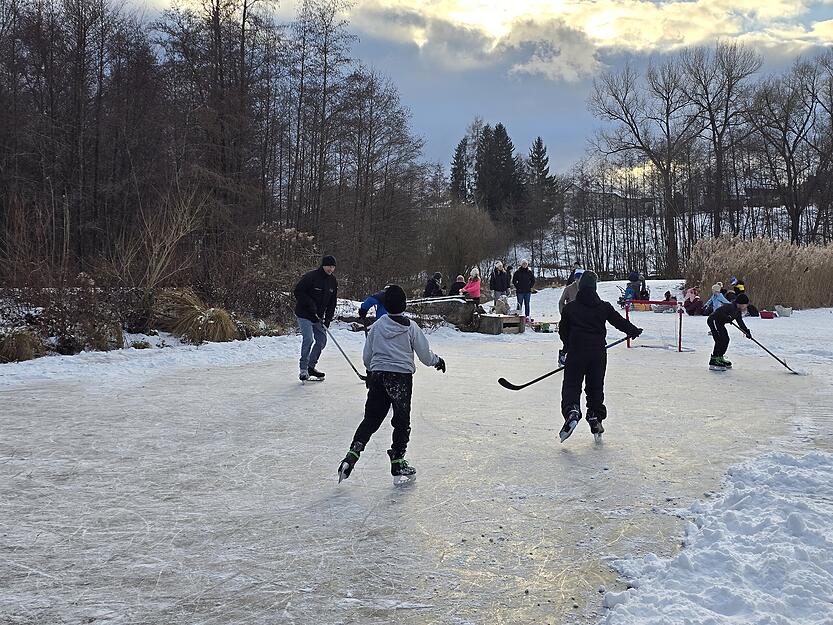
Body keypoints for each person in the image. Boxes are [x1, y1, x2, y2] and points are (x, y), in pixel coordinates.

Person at [337, 285, 446, 483]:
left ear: (385, 304)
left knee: (371, 418)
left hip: (379, 376)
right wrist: (437, 361)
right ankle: (398, 460)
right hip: (401, 378)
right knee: (401, 420)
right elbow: (424, 354)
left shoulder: (377, 326)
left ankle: (352, 453)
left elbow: (367, 356)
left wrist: (371, 371)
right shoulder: (411, 327)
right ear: (404, 304)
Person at [558, 271, 642, 443]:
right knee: (595, 387)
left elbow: (563, 331)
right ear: (594, 288)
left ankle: (572, 410)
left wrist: (568, 346)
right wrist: (633, 330)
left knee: (572, 385)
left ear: (580, 287)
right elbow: (619, 321)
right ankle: (595, 416)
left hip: (576, 353)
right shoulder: (604, 306)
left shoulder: (570, 308)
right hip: (597, 354)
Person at [293, 255, 338, 381]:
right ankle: (303, 369)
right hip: (304, 314)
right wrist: (310, 304)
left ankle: (310, 367)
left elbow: (332, 303)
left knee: (322, 340)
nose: (331, 269)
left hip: (318, 317)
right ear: (323, 265)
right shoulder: (311, 277)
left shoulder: (333, 281)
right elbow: (298, 291)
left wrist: (328, 319)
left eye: (333, 267)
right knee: (308, 339)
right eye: (329, 266)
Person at [707, 293, 752, 370]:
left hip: (720, 324)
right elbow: (718, 312)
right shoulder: (730, 306)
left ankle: (720, 357)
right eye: (745, 304)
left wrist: (746, 332)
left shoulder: (738, 311)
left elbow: (740, 322)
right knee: (719, 340)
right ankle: (714, 359)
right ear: (740, 303)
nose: (746, 306)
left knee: (726, 339)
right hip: (714, 320)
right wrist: (726, 317)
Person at [558, 268, 585, 364]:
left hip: (582, 318)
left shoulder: (585, 289)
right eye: (577, 278)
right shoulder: (569, 288)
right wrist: (563, 313)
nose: (579, 280)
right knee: (569, 339)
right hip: (570, 318)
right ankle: (563, 354)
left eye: (581, 278)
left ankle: (579, 357)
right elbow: (561, 302)